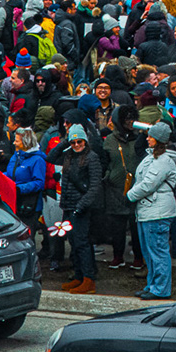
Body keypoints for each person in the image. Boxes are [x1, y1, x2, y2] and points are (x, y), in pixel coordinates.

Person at [127, 122, 176, 299]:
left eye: (151, 136)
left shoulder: (164, 160)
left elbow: (149, 184)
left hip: (157, 212)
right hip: (148, 210)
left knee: (157, 251)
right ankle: (152, 285)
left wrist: (129, 195)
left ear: (159, 140)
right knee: (150, 252)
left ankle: (160, 289)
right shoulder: (153, 157)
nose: (147, 138)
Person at [60, 124, 104, 294]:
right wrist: (66, 142)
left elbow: (95, 186)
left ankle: (88, 279)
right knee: (73, 242)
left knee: (82, 243)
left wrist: (81, 206)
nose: (77, 145)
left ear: (85, 141)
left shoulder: (92, 158)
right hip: (68, 205)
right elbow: (51, 156)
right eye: (73, 142)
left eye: (80, 141)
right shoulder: (68, 156)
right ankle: (79, 276)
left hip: (81, 207)